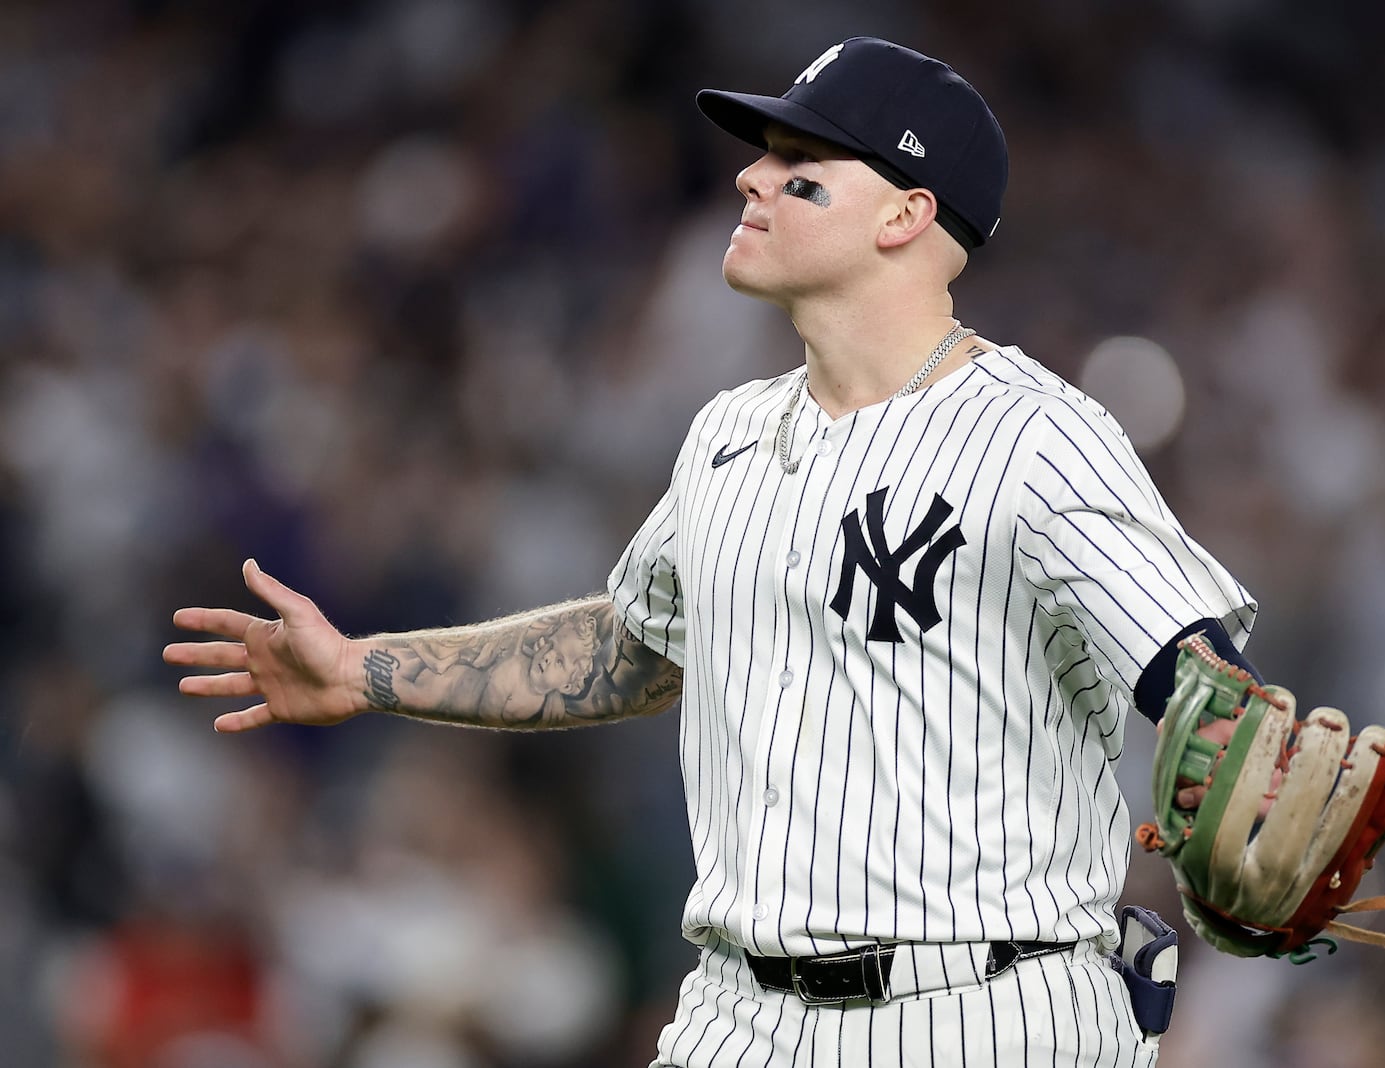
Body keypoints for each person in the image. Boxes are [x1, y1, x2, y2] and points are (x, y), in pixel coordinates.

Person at [166, 37, 1259, 1066]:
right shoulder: (728, 433)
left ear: (904, 216)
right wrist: (368, 669)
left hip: (982, 1012)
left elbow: (1197, 677)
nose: (752, 180)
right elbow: (632, 650)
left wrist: (1243, 770)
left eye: (801, 169)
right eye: (762, 156)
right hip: (738, 1016)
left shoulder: (1034, 436)